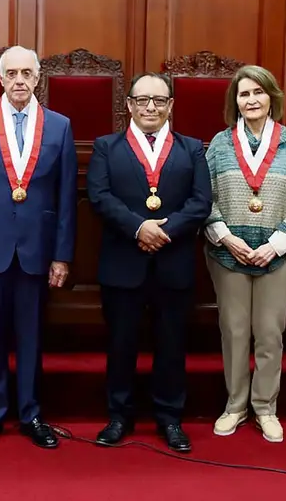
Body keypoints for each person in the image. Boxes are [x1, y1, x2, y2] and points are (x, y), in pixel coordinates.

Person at [0, 45, 77, 449]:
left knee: (31, 337)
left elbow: (65, 197)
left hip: (37, 250)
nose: (20, 80)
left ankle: (31, 412)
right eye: (12, 73)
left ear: (38, 78)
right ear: (0, 78)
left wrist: (62, 255)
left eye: (27, 73)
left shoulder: (59, 125)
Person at [86, 72, 211, 453]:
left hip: (172, 263)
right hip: (123, 262)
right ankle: (119, 416)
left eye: (159, 100)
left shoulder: (191, 148)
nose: (151, 107)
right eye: (142, 100)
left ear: (171, 105)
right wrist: (139, 227)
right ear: (129, 105)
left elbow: (201, 202)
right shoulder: (108, 146)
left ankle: (170, 419)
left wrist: (164, 230)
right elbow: (99, 195)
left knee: (171, 346)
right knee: (121, 344)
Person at [202, 65, 286, 443]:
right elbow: (204, 197)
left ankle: (265, 407)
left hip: (278, 253)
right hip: (227, 251)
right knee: (234, 330)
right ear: (234, 101)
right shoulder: (220, 144)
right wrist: (225, 236)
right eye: (243, 94)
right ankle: (235, 405)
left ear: (272, 98)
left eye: (258, 93)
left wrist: (277, 242)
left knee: (269, 332)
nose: (251, 100)